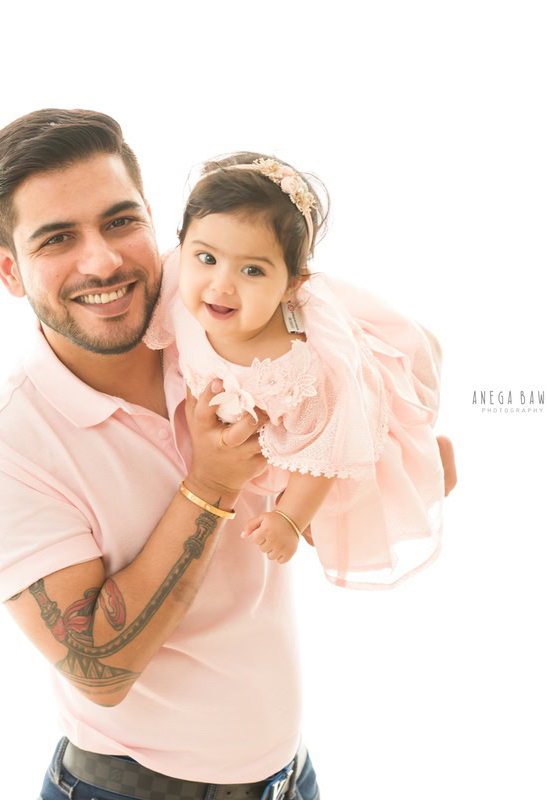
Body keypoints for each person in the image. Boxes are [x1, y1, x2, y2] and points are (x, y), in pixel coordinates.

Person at [0, 109, 456, 799]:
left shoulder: (212, 308)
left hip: (287, 778)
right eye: (57, 239)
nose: (102, 260)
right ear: (9, 270)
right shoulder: (2, 454)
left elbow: (359, 353)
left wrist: (401, 457)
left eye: (120, 221)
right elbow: (101, 669)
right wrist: (210, 485)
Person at [144, 153, 447, 590]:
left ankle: (434, 456)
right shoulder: (179, 277)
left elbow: (326, 450)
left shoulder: (299, 373)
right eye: (206, 258)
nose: (221, 284)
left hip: (324, 433)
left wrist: (289, 517)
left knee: (337, 509)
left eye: (252, 270)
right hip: (252, 425)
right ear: (182, 246)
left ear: (291, 285)